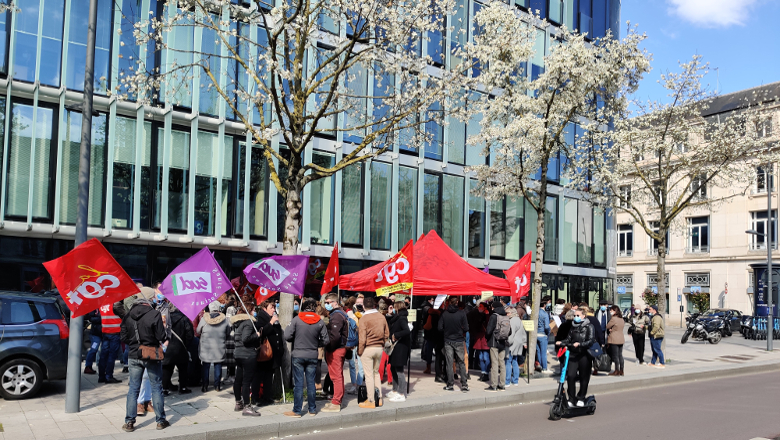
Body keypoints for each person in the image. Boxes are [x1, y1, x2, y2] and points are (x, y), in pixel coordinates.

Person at [121, 297, 169, 432]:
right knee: (156, 387)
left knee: (133, 389)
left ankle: (129, 422)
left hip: (134, 354)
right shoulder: (154, 314)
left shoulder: (128, 315)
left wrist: (135, 342)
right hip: (151, 354)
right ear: (148, 302)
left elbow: (123, 337)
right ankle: (160, 421)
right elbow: (161, 336)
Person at [284, 299, 328, 417]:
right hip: (313, 355)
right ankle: (312, 409)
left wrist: (295, 340)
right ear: (314, 308)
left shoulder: (296, 320)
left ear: (303, 307)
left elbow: (287, 336)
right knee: (311, 382)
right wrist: (316, 345)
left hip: (298, 354)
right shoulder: (319, 321)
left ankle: (297, 410)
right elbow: (326, 340)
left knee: (298, 384)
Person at [555, 308, 596, 408]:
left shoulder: (589, 326)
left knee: (584, 377)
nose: (576, 317)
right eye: (575, 315)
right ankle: (571, 399)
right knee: (571, 376)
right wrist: (561, 342)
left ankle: (581, 397)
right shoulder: (573, 327)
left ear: (583, 316)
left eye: (578, 315)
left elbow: (591, 340)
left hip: (584, 355)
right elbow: (569, 338)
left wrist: (580, 344)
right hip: (573, 354)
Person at [357, 297, 390, 409]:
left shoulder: (363, 319)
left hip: (368, 348)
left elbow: (362, 338)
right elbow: (387, 334)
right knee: (376, 373)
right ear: (374, 305)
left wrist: (359, 351)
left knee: (369, 375)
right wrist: (382, 343)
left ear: (364, 306)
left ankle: (371, 399)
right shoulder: (381, 317)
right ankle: (379, 398)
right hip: (379, 348)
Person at [231, 300, 262, 416]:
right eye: (253, 310)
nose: (255, 312)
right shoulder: (248, 322)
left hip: (238, 353)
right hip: (247, 354)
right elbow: (246, 338)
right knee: (246, 381)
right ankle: (247, 407)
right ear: (249, 311)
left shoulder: (238, 323)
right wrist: (257, 335)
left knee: (238, 379)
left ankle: (238, 402)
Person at [253, 299, 283, 406]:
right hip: (264, 351)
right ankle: (256, 397)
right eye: (271, 307)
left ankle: (267, 396)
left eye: (274, 307)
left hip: (273, 352)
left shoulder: (272, 318)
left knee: (269, 376)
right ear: (265, 308)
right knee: (259, 376)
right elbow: (261, 332)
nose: (273, 310)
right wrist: (271, 323)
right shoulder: (261, 318)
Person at [322, 294, 349, 412]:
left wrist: (328, 347)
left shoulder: (337, 316)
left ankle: (336, 402)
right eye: (326, 302)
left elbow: (335, 336)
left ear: (335, 302)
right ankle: (336, 400)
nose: (327, 304)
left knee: (336, 376)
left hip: (336, 349)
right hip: (340, 348)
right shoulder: (340, 313)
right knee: (337, 375)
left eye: (329, 302)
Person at [197, 301, 230, 392]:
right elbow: (228, 332)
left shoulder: (204, 319)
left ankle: (205, 385)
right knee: (218, 365)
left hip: (206, 347)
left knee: (205, 366)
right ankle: (217, 386)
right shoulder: (224, 320)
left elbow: (198, 330)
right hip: (219, 347)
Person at [438, 296, 469, 392]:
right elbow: (467, 328)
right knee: (461, 362)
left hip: (448, 340)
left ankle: (450, 384)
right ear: (457, 303)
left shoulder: (445, 314)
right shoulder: (461, 313)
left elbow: (439, 327)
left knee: (449, 363)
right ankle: (464, 384)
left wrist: (446, 331)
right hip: (459, 339)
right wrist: (460, 331)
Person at [161, 304, 193, 395]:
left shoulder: (164, 319)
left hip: (168, 347)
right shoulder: (184, 319)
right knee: (183, 368)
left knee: (167, 368)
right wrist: (186, 345)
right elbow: (189, 334)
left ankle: (165, 388)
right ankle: (183, 387)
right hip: (181, 347)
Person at [388, 301, 412, 401]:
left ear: (397, 307)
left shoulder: (402, 318)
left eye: (393, 307)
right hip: (396, 347)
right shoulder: (397, 317)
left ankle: (401, 393)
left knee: (399, 370)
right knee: (393, 368)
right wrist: (389, 314)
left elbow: (406, 330)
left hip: (401, 347)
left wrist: (396, 335)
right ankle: (395, 390)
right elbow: (389, 323)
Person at [98, 301, 124, 384]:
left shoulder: (102, 304)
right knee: (112, 355)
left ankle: (101, 376)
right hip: (114, 332)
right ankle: (109, 376)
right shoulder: (115, 304)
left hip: (105, 331)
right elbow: (125, 315)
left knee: (103, 355)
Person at [485, 298, 509, 391]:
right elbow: (509, 331)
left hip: (494, 342)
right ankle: (502, 384)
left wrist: (487, 338)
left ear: (493, 307)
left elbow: (489, 330)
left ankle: (494, 385)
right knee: (502, 363)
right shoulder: (505, 316)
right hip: (503, 342)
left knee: (494, 363)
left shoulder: (494, 316)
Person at [505, 306, 526, 386]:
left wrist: (507, 343)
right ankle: (515, 380)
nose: (506, 314)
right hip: (518, 344)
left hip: (512, 345)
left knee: (508, 362)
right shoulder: (519, 320)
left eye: (507, 313)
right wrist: (524, 342)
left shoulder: (512, 321)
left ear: (511, 313)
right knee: (514, 362)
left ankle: (507, 381)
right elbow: (523, 333)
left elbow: (511, 334)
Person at [583, 306, 605, 376]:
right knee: (595, 356)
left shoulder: (584, 319)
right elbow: (599, 331)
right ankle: (595, 370)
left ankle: (587, 370)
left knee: (587, 355)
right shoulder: (594, 319)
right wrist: (602, 342)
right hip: (595, 340)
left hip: (585, 340)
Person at [472, 302, 491, 381]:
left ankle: (486, 373)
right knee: (480, 357)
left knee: (485, 357)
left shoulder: (488, 316)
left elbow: (489, 325)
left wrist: (486, 315)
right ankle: (483, 372)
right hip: (479, 337)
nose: (479, 308)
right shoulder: (477, 315)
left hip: (484, 337)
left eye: (481, 306)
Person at [606, 305, 625, 376]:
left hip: (614, 338)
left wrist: (611, 329)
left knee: (615, 355)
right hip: (621, 338)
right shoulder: (621, 319)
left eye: (611, 310)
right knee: (620, 355)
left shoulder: (613, 318)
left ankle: (616, 370)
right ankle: (622, 370)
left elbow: (607, 326)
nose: (610, 312)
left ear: (615, 311)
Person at [83, 308, 102, 375]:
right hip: (96, 333)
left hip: (104, 331)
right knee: (94, 349)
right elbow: (90, 317)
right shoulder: (95, 307)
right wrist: (101, 319)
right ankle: (88, 366)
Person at [536, 296, 552, 374]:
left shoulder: (535, 313)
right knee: (543, 352)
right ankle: (545, 368)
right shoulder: (545, 314)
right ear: (544, 305)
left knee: (538, 351)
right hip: (543, 334)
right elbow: (547, 326)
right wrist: (548, 332)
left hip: (536, 334)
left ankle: (541, 366)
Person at [420, 297, 435, 374]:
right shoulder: (426, 307)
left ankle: (429, 367)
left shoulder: (427, 306)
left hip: (430, 332)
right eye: (432, 300)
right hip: (430, 332)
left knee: (430, 350)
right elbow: (430, 311)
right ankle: (428, 367)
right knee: (429, 350)